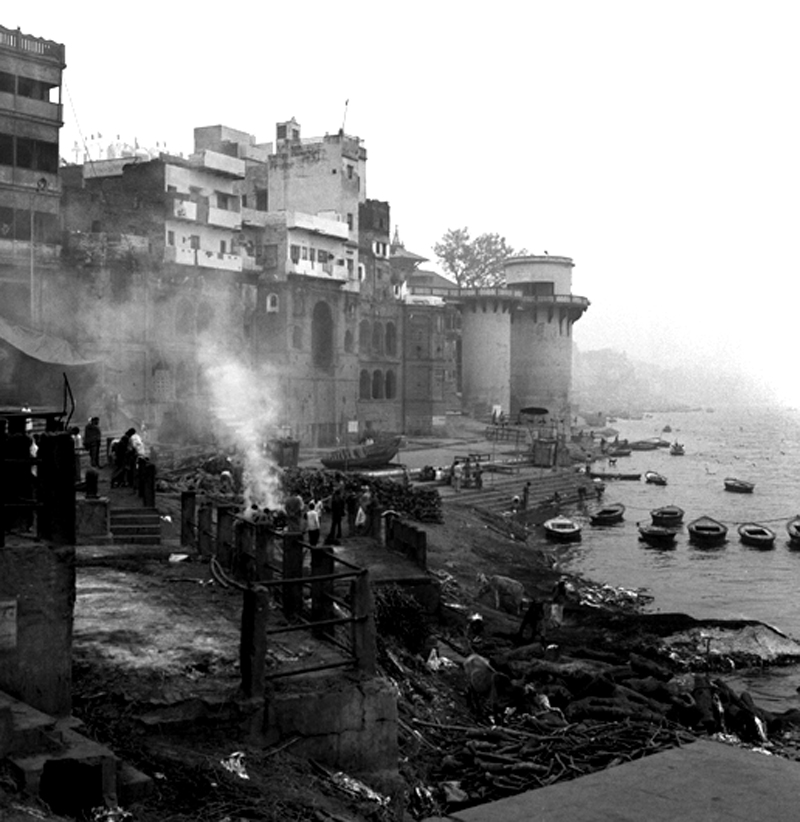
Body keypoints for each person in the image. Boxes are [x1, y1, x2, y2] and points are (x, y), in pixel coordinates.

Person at [326, 480, 345, 545]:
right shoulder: (341, 499)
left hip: (335, 513)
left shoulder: (334, 499)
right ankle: (339, 534)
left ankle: (332, 534)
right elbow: (343, 506)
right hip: (339, 512)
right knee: (339, 524)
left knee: (334, 524)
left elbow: (332, 507)